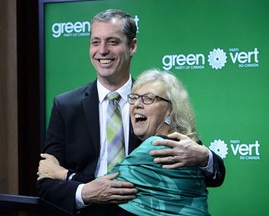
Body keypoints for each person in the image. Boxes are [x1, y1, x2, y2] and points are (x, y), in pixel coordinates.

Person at [37, 9, 225, 215]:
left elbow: (204, 171)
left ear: (132, 46)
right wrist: (84, 192)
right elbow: (46, 182)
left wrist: (205, 157)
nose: (102, 50)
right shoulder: (65, 106)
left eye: (113, 42)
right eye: (95, 42)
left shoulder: (157, 102)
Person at [39, 69, 211, 215]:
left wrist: (61, 173)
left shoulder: (156, 147)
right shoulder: (184, 143)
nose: (137, 105)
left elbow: (110, 186)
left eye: (148, 98)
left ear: (170, 110)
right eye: (134, 98)